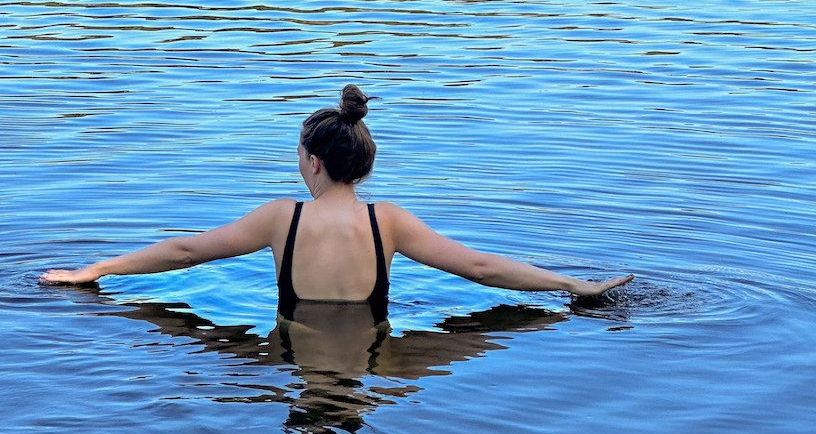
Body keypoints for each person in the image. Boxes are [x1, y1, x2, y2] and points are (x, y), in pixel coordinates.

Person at [40, 84, 633, 307]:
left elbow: (184, 253)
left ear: (314, 162)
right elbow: (480, 267)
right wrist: (570, 284)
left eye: (298, 154)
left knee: (195, 346)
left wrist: (95, 270)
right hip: (377, 361)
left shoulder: (281, 219)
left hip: (290, 356)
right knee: (483, 332)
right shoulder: (388, 222)